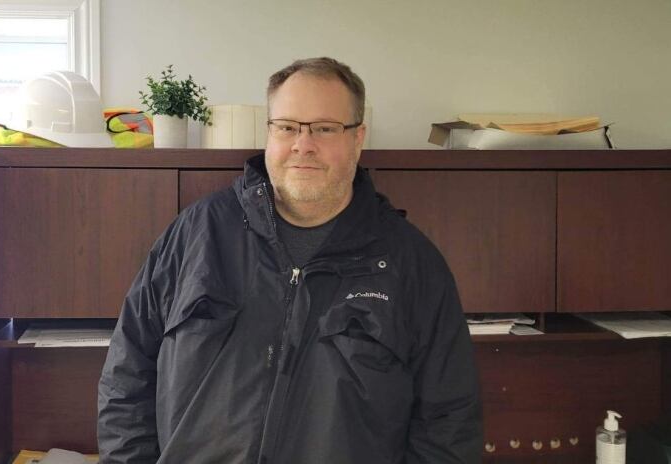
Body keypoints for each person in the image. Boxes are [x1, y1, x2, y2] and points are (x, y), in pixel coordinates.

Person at [98, 57, 483, 463]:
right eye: (287, 127)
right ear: (269, 134)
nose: (303, 144)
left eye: (324, 128)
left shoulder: (410, 262)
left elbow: (449, 422)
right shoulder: (197, 234)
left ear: (358, 138)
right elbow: (127, 376)